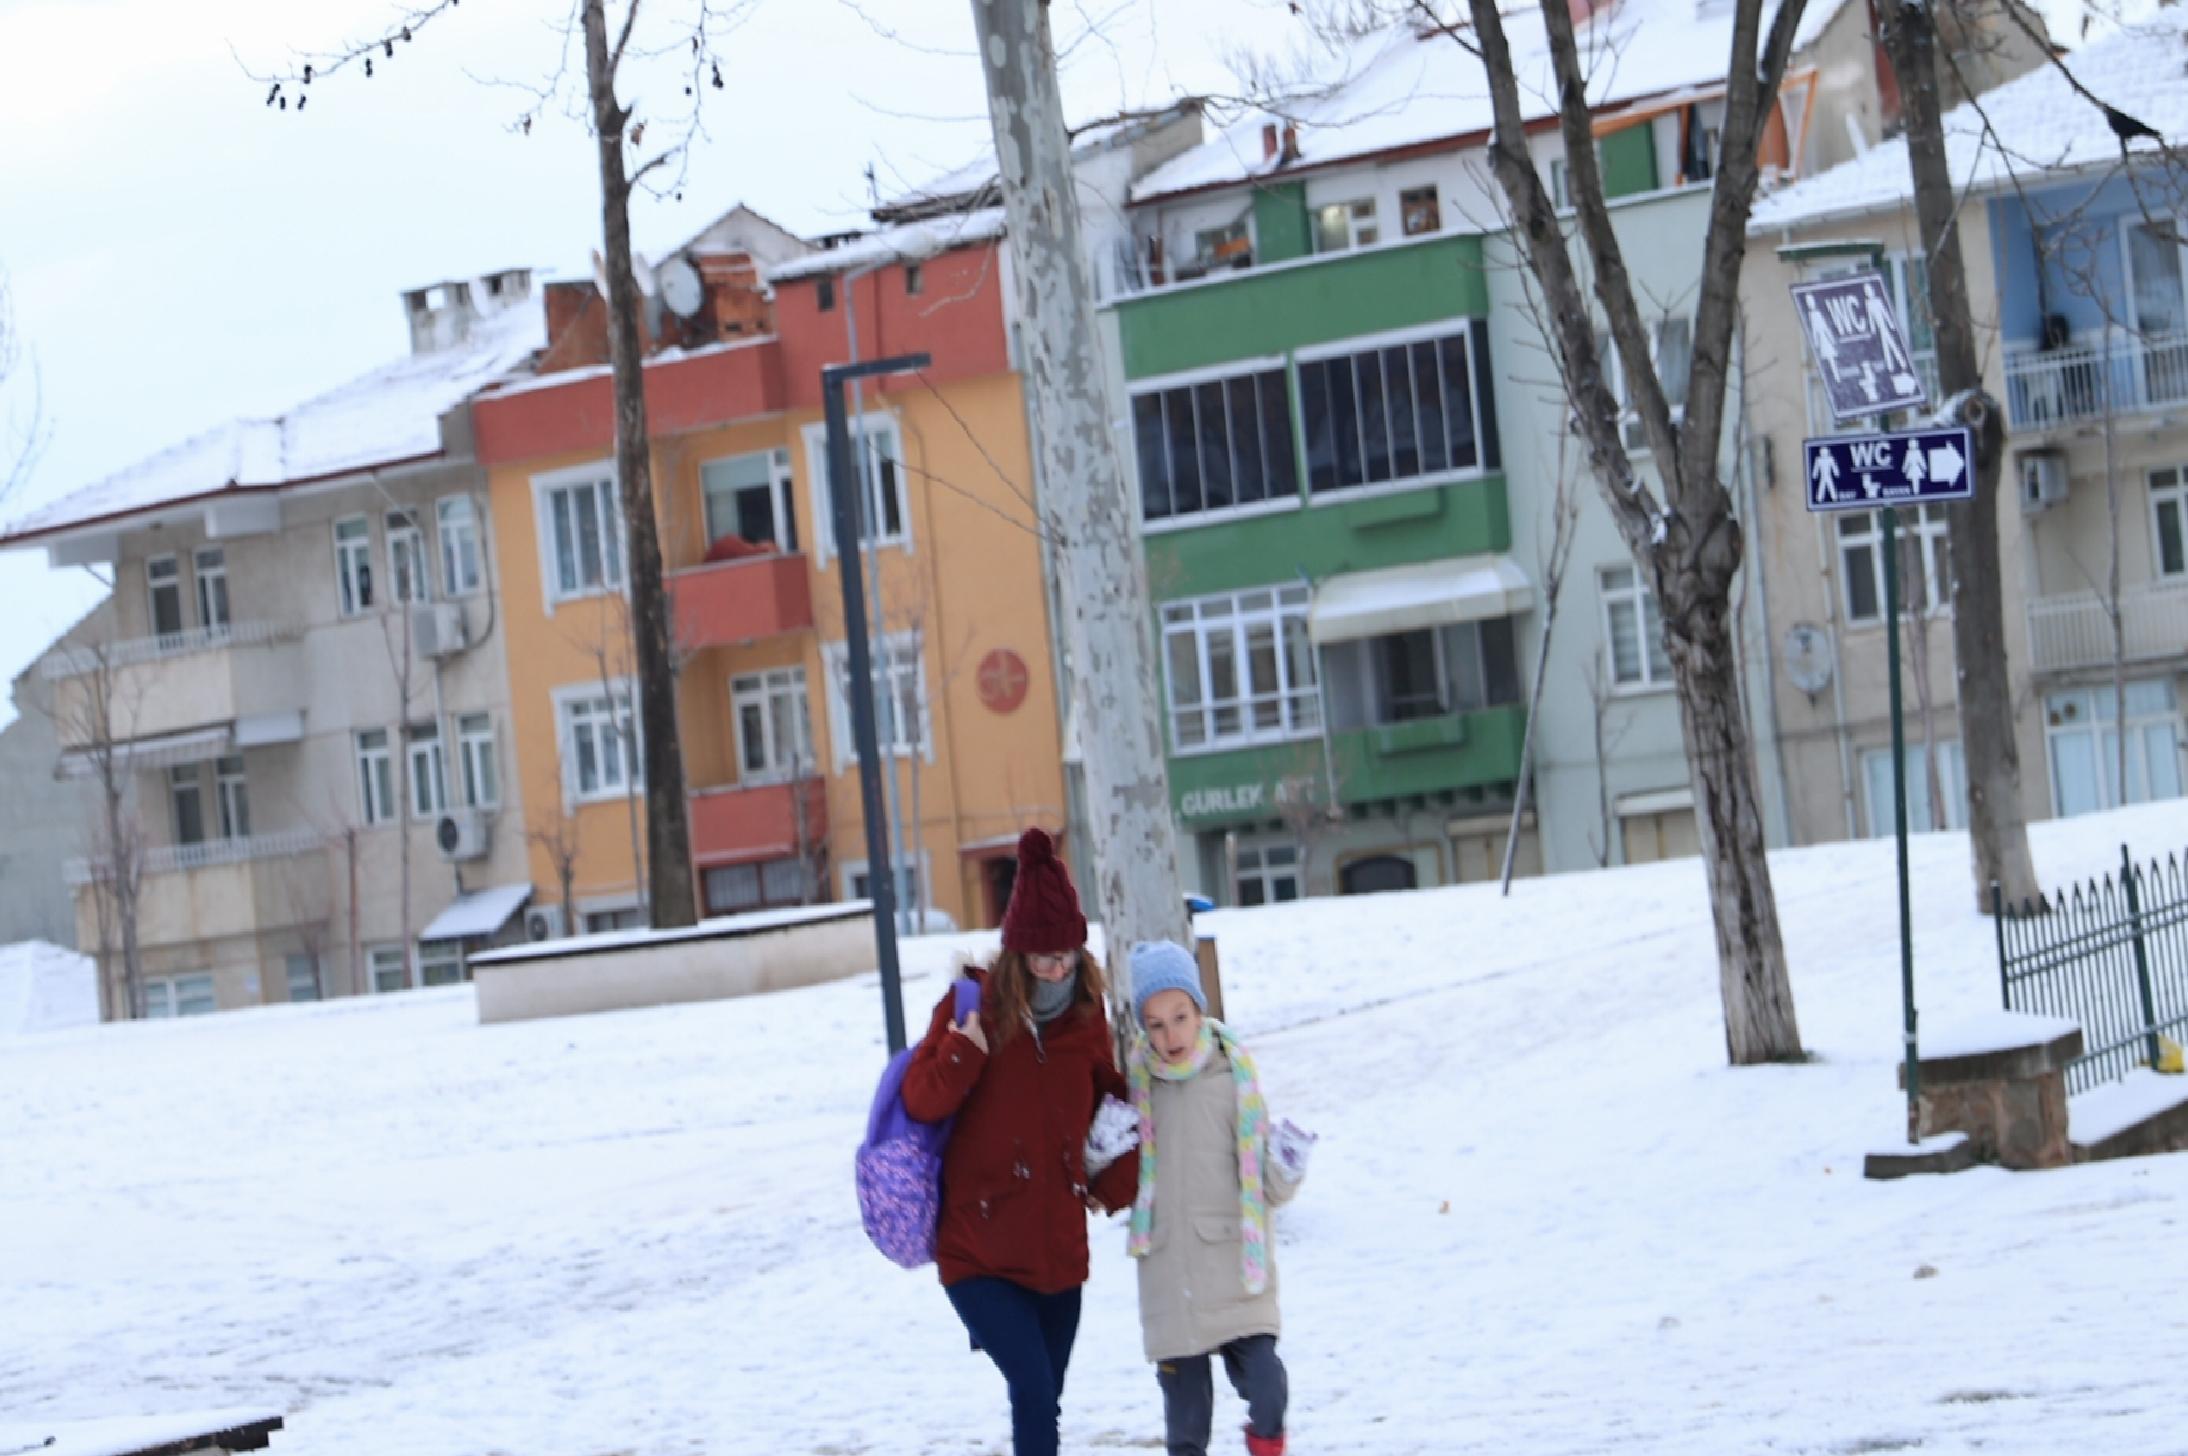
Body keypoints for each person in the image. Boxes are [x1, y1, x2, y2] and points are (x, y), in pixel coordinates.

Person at [901, 827, 1135, 1456]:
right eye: (1042, 956)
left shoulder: (1087, 1022)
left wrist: (1110, 1185)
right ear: (1017, 953)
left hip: (1058, 1253)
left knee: (1043, 1401)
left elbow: (1115, 1118)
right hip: (977, 1252)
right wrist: (961, 1053)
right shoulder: (973, 1007)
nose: (1056, 969)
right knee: (1032, 1388)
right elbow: (920, 1101)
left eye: (1066, 955)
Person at [1115, 940, 1304, 1456]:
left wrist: (1287, 1167)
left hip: (1237, 1273)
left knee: (1269, 1390)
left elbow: (1267, 1184)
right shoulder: (1136, 1087)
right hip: (1171, 1279)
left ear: (1200, 1010)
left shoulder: (1233, 1080)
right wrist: (1097, 1152)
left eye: (1179, 1016)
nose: (1170, 1034)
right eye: (1155, 1023)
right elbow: (1112, 1179)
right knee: (1187, 1431)